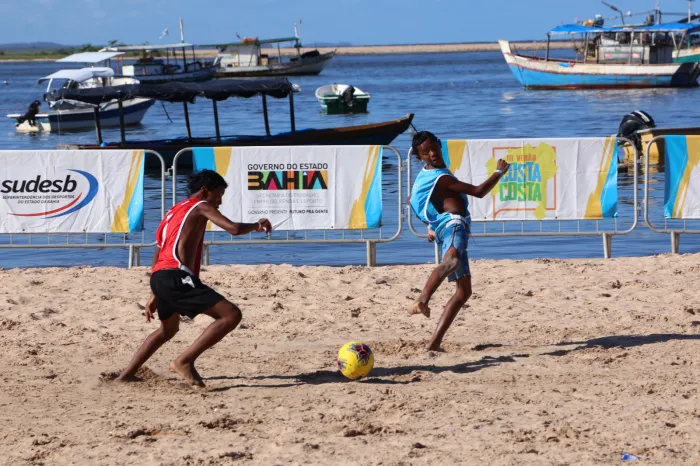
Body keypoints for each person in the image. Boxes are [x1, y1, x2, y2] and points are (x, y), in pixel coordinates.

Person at [117, 169, 272, 387]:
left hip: (160, 276)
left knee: (167, 330)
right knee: (231, 315)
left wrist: (154, 290)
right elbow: (234, 229)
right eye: (219, 195)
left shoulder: (173, 211)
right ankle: (184, 361)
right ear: (204, 191)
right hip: (176, 276)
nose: (219, 202)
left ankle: (125, 376)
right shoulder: (200, 205)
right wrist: (258, 225)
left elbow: (159, 250)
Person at [408, 131, 510, 351]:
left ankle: (434, 344)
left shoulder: (427, 176)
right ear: (419, 157)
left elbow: (412, 201)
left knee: (463, 292)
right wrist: (499, 172)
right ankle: (422, 299)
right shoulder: (443, 178)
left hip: (445, 229)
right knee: (452, 262)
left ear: (439, 145)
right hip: (454, 226)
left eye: (434, 148)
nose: (432, 154)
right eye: (426, 153)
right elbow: (478, 191)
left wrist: (430, 224)